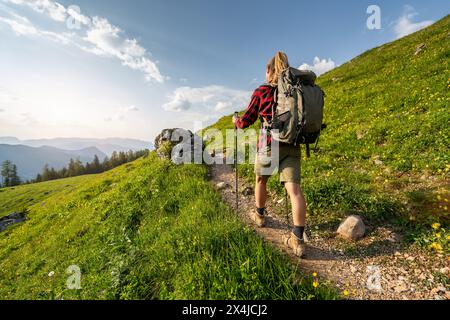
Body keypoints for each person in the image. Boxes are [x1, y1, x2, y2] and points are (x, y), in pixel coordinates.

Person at [232, 51, 308, 258]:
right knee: (295, 191)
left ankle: (259, 215)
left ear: (268, 71)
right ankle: (298, 240)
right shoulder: (295, 90)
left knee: (261, 181)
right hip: (292, 144)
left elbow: (245, 121)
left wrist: (235, 121)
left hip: (269, 144)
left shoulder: (261, 91)